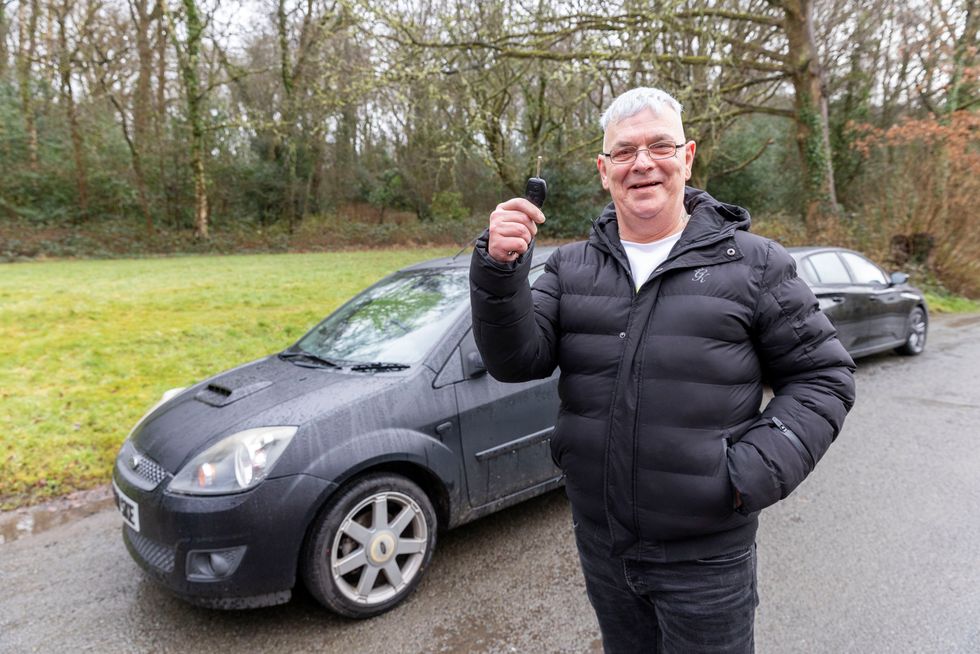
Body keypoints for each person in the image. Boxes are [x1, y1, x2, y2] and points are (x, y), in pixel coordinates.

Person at [468, 87, 856, 653]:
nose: (642, 163)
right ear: (604, 171)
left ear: (688, 155)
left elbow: (824, 378)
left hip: (707, 558)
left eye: (660, 146)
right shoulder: (572, 267)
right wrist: (499, 271)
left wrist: (744, 475)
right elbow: (514, 360)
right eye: (624, 152)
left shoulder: (753, 264)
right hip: (604, 547)